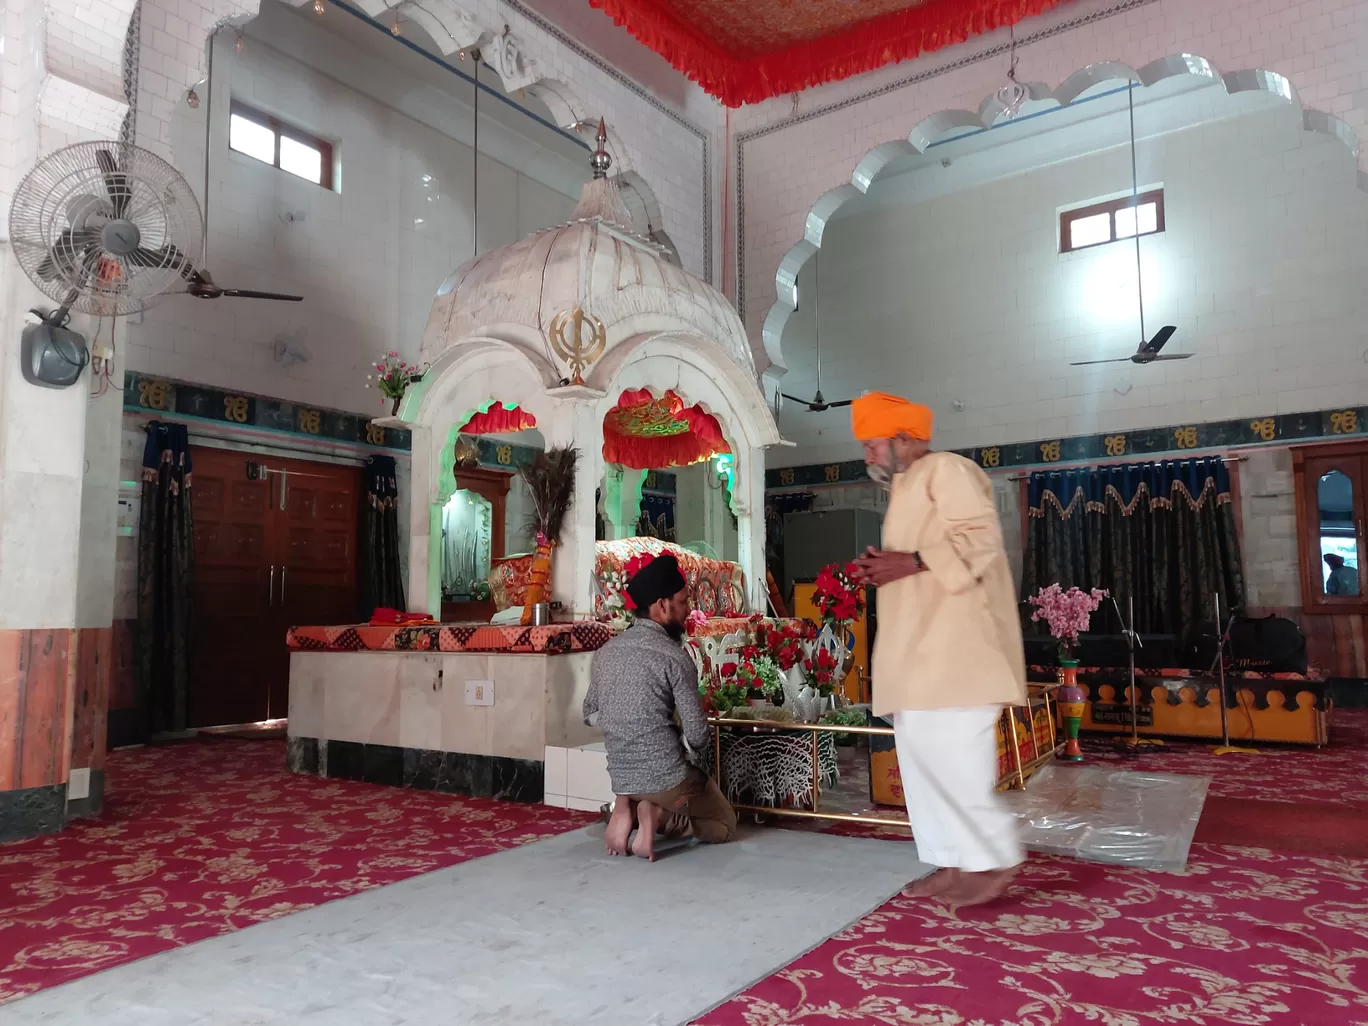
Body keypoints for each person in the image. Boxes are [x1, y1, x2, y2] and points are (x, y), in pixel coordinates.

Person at [849, 392, 1027, 906]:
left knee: (956, 765)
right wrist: (885, 565)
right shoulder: (906, 488)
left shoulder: (948, 469)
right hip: (918, 659)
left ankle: (994, 857)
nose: (869, 456)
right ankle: (953, 862)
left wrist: (908, 563)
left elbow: (979, 541)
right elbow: (916, 560)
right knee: (924, 767)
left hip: (957, 655)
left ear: (903, 439)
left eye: (873, 444)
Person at [583, 553, 737, 860]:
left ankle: (626, 805)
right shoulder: (674, 658)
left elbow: (590, 713)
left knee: (649, 785)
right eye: (683, 601)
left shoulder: (605, 653)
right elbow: (698, 736)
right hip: (667, 780)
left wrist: (628, 719)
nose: (688, 609)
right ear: (662, 605)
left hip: (621, 777)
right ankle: (658, 815)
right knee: (724, 825)